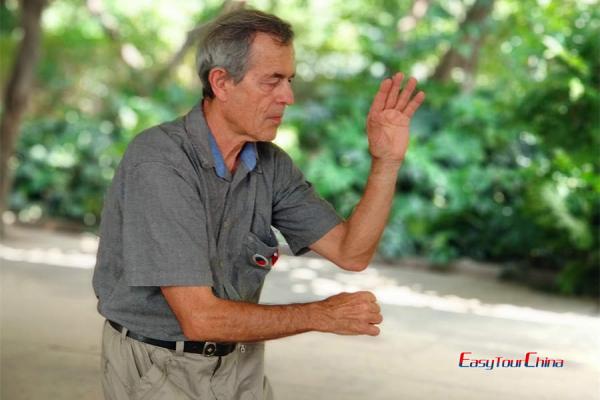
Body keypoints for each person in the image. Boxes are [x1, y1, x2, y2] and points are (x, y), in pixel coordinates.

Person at [92, 8, 425, 400]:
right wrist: (321, 314)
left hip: (241, 364)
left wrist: (386, 162)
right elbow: (199, 318)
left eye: (289, 80)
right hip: (159, 365)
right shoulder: (160, 160)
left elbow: (351, 253)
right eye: (272, 81)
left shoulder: (270, 163)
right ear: (221, 82)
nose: (288, 96)